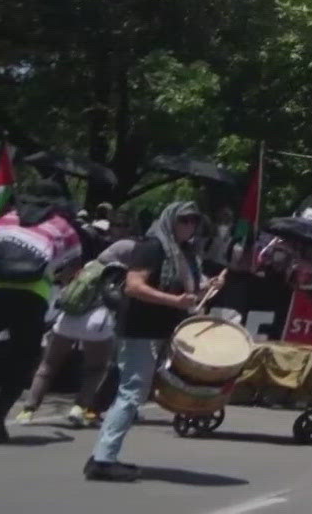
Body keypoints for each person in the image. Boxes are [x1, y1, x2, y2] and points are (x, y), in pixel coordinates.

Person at [85, 200, 211, 480]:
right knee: (130, 394)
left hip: (160, 329)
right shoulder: (152, 247)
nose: (190, 226)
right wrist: (174, 300)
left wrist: (206, 287)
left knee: (134, 393)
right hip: (139, 328)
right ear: (170, 219)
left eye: (194, 221)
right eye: (184, 220)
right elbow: (134, 286)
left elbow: (184, 288)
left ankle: (103, 455)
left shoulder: (182, 253)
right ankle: (103, 459)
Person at [0, 180, 86, 442]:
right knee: (22, 359)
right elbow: (72, 269)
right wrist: (56, 277)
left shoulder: (6, 219)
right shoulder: (64, 227)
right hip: (33, 297)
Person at [16, 237, 133, 427]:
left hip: (68, 318)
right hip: (97, 320)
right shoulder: (121, 271)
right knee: (95, 369)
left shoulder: (90, 265)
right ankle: (78, 408)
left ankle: (27, 410)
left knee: (48, 366)